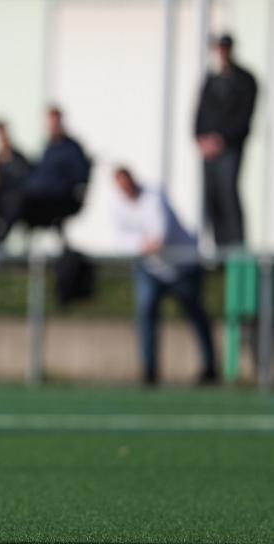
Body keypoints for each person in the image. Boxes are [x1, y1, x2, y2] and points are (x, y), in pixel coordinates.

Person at [112, 166, 217, 386]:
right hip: (151, 269)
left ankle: (210, 368)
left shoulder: (154, 195)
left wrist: (144, 244)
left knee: (196, 315)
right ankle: (149, 371)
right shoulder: (118, 205)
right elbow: (123, 240)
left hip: (183, 267)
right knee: (146, 314)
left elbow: (159, 235)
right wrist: (142, 245)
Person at [195, 33, 257, 248]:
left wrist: (221, 139)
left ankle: (236, 248)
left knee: (228, 194)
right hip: (209, 150)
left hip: (229, 148)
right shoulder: (212, 80)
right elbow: (199, 113)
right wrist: (201, 139)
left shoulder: (245, 80)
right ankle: (219, 249)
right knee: (212, 198)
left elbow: (244, 117)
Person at [0, 106, 89, 240]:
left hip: (53, 198)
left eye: (55, 123)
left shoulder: (72, 149)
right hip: (35, 193)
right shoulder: (49, 147)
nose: (52, 127)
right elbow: (35, 171)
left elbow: (78, 177)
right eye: (50, 123)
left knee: (16, 201)